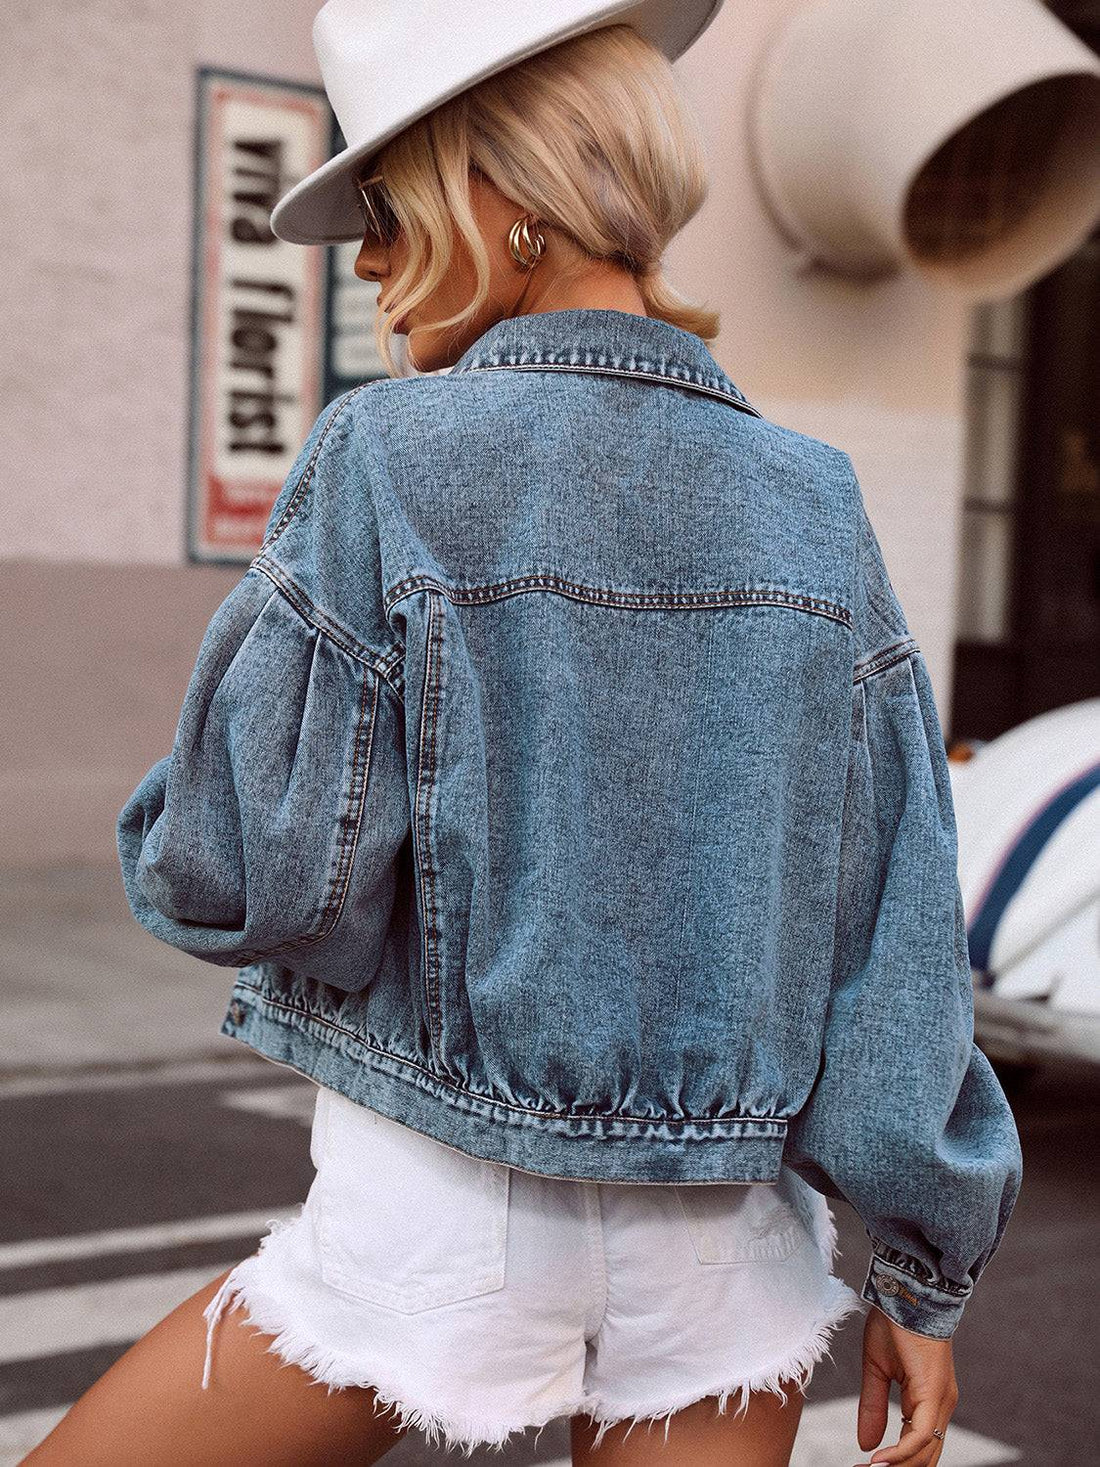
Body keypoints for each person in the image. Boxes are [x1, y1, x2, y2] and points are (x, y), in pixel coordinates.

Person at [24, 2, 1023, 1464]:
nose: (367, 261)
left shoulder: (387, 456)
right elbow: (892, 934)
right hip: (722, 1249)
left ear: (502, 201)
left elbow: (242, 876)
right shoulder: (815, 501)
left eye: (382, 205)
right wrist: (926, 1274)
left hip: (445, 1206)